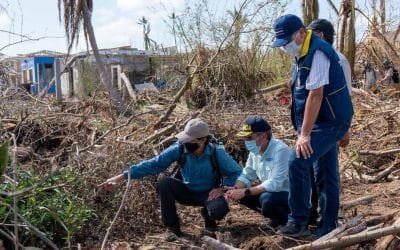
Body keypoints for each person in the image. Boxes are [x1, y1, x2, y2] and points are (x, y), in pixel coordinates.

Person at [271, 14, 354, 237]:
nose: (285, 48)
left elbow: (316, 95)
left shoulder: (319, 51)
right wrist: (301, 127)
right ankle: (327, 225)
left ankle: (298, 223)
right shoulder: (301, 53)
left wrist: (305, 134)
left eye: (287, 42)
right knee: (325, 173)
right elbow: (302, 91)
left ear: (300, 33)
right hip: (318, 121)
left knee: (296, 161)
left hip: (332, 121)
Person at [98, 118, 242, 241]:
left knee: (219, 210)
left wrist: (223, 188)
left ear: (203, 140)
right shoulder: (179, 148)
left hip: (209, 194)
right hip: (186, 191)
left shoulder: (216, 152)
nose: (186, 142)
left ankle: (209, 220)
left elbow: (236, 172)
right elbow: (154, 164)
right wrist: (120, 177)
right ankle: (173, 228)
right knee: (164, 183)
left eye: (189, 140)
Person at [307, 19, 352, 227]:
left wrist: (346, 129)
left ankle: (328, 223)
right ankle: (314, 217)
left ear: (321, 35)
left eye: (311, 34)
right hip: (316, 127)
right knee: (315, 173)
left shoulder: (338, 60)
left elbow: (346, 96)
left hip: (330, 126)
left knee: (326, 174)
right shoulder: (316, 57)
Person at [225, 116, 291, 229]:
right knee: (242, 195)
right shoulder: (255, 151)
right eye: (245, 138)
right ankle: (276, 218)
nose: (246, 142)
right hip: (273, 193)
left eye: (249, 137)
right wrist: (236, 189)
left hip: (289, 195)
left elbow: (275, 184)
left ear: (264, 136)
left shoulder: (281, 150)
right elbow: (247, 174)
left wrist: (245, 191)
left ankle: (288, 221)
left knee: (267, 199)